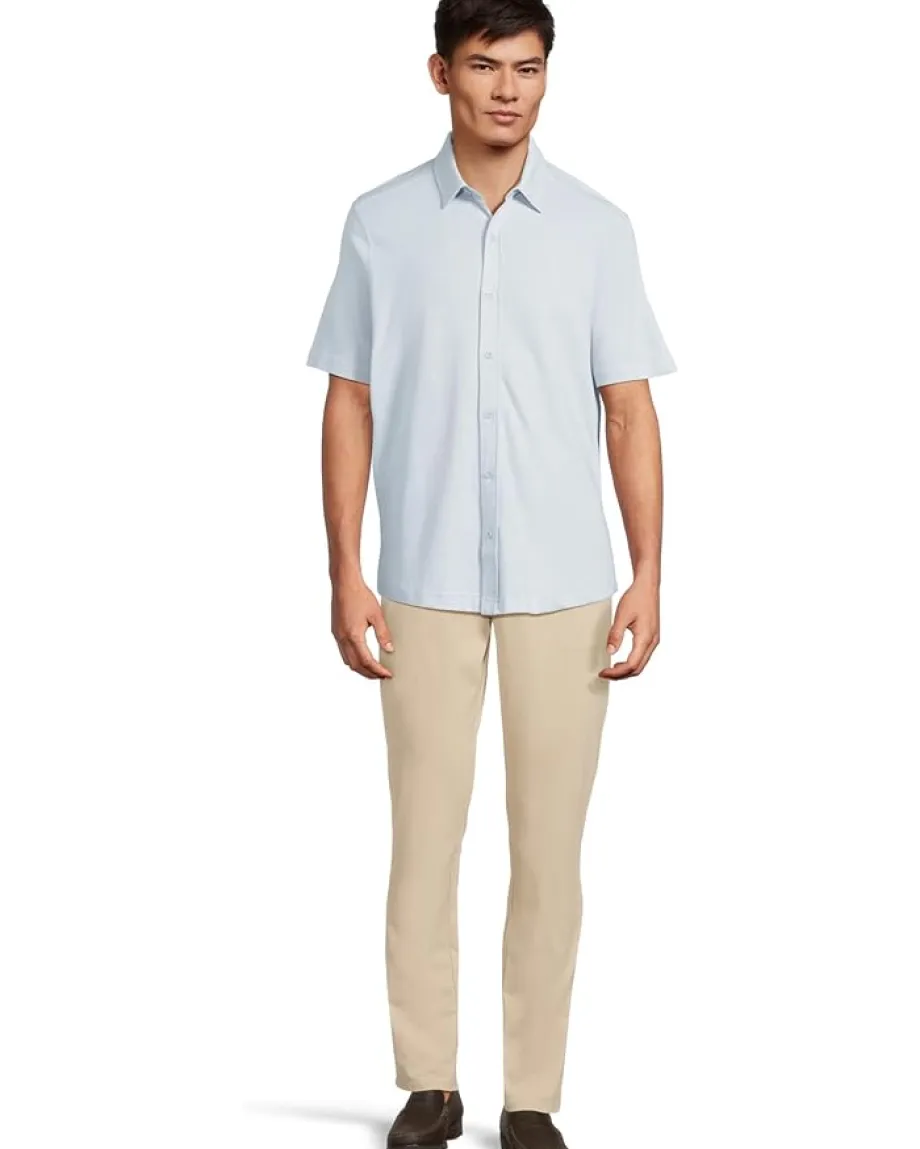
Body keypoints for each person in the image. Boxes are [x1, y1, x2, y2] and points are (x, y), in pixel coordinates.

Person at [305, 1, 677, 1145]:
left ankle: (529, 1098)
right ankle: (429, 1082)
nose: (507, 89)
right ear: (440, 74)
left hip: (565, 586)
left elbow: (627, 409)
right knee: (422, 842)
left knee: (548, 853)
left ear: (546, 75)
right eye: (483, 66)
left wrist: (648, 572)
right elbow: (349, 401)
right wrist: (344, 573)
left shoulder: (597, 229)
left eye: (526, 67)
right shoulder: (378, 224)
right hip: (419, 579)